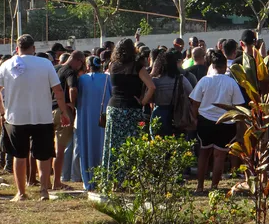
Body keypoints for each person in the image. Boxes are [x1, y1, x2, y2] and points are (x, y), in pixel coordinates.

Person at [0, 35, 72, 202]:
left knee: (19, 156)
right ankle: (44, 191)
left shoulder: (7, 64)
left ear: (17, 48)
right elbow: (58, 90)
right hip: (42, 116)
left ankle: (21, 193)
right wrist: (64, 112)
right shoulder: (45, 64)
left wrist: (2, 112)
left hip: (16, 118)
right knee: (44, 156)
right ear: (33, 48)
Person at [189, 50, 245, 193]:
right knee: (220, 156)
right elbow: (239, 106)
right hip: (225, 124)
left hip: (205, 122)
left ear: (212, 65)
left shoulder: (205, 80)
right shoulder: (231, 82)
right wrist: (239, 128)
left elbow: (195, 102)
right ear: (225, 66)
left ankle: (200, 186)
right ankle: (214, 187)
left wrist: (194, 119)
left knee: (204, 154)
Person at [102, 39, 155, 180]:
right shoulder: (137, 67)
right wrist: (143, 101)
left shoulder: (112, 65)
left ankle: (113, 179)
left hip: (113, 108)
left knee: (114, 144)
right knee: (132, 144)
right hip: (132, 108)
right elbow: (151, 87)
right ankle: (130, 179)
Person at [75, 56, 111, 191]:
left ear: (87, 66)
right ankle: (104, 179)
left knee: (86, 146)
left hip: (85, 118)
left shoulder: (82, 80)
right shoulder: (108, 78)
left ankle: (88, 181)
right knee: (103, 146)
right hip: (103, 118)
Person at [52, 51, 85, 190]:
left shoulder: (55, 69)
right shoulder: (70, 72)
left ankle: (45, 181)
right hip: (62, 111)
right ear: (77, 61)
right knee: (61, 149)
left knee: (48, 149)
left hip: (48, 110)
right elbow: (73, 89)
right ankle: (57, 182)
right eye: (81, 63)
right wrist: (73, 105)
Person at [150, 50, 193, 137]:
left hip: (158, 114)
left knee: (158, 144)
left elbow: (149, 98)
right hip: (177, 115)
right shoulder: (181, 79)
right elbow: (192, 94)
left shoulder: (155, 81)